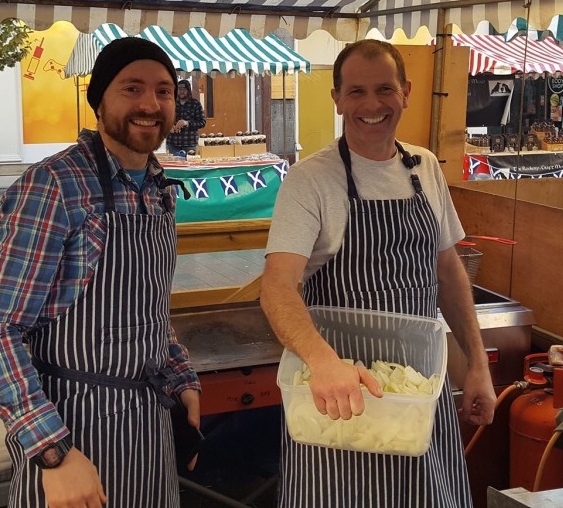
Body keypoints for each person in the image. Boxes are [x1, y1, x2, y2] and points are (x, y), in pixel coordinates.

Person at [0, 37, 201, 508]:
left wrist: (181, 376)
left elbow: (148, 309)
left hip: (148, 430)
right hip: (70, 433)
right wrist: (53, 452)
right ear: (99, 100)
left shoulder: (158, 189)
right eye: (131, 88)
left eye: (163, 91)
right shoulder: (52, 185)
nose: (150, 104)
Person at [260, 39, 494, 507]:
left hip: (417, 391)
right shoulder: (311, 179)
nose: (371, 105)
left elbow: (447, 272)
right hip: (341, 397)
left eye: (384, 89)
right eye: (356, 92)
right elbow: (277, 286)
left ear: (405, 92)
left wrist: (478, 365)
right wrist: (324, 363)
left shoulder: (424, 166)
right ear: (337, 99)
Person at [165, 78, 206, 155]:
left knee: (190, 165)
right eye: (179, 89)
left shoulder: (195, 104)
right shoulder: (170, 103)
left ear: (188, 91)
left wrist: (187, 123)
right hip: (172, 143)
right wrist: (168, 127)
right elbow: (163, 119)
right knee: (173, 166)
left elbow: (202, 122)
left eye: (184, 89)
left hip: (190, 143)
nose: (181, 92)